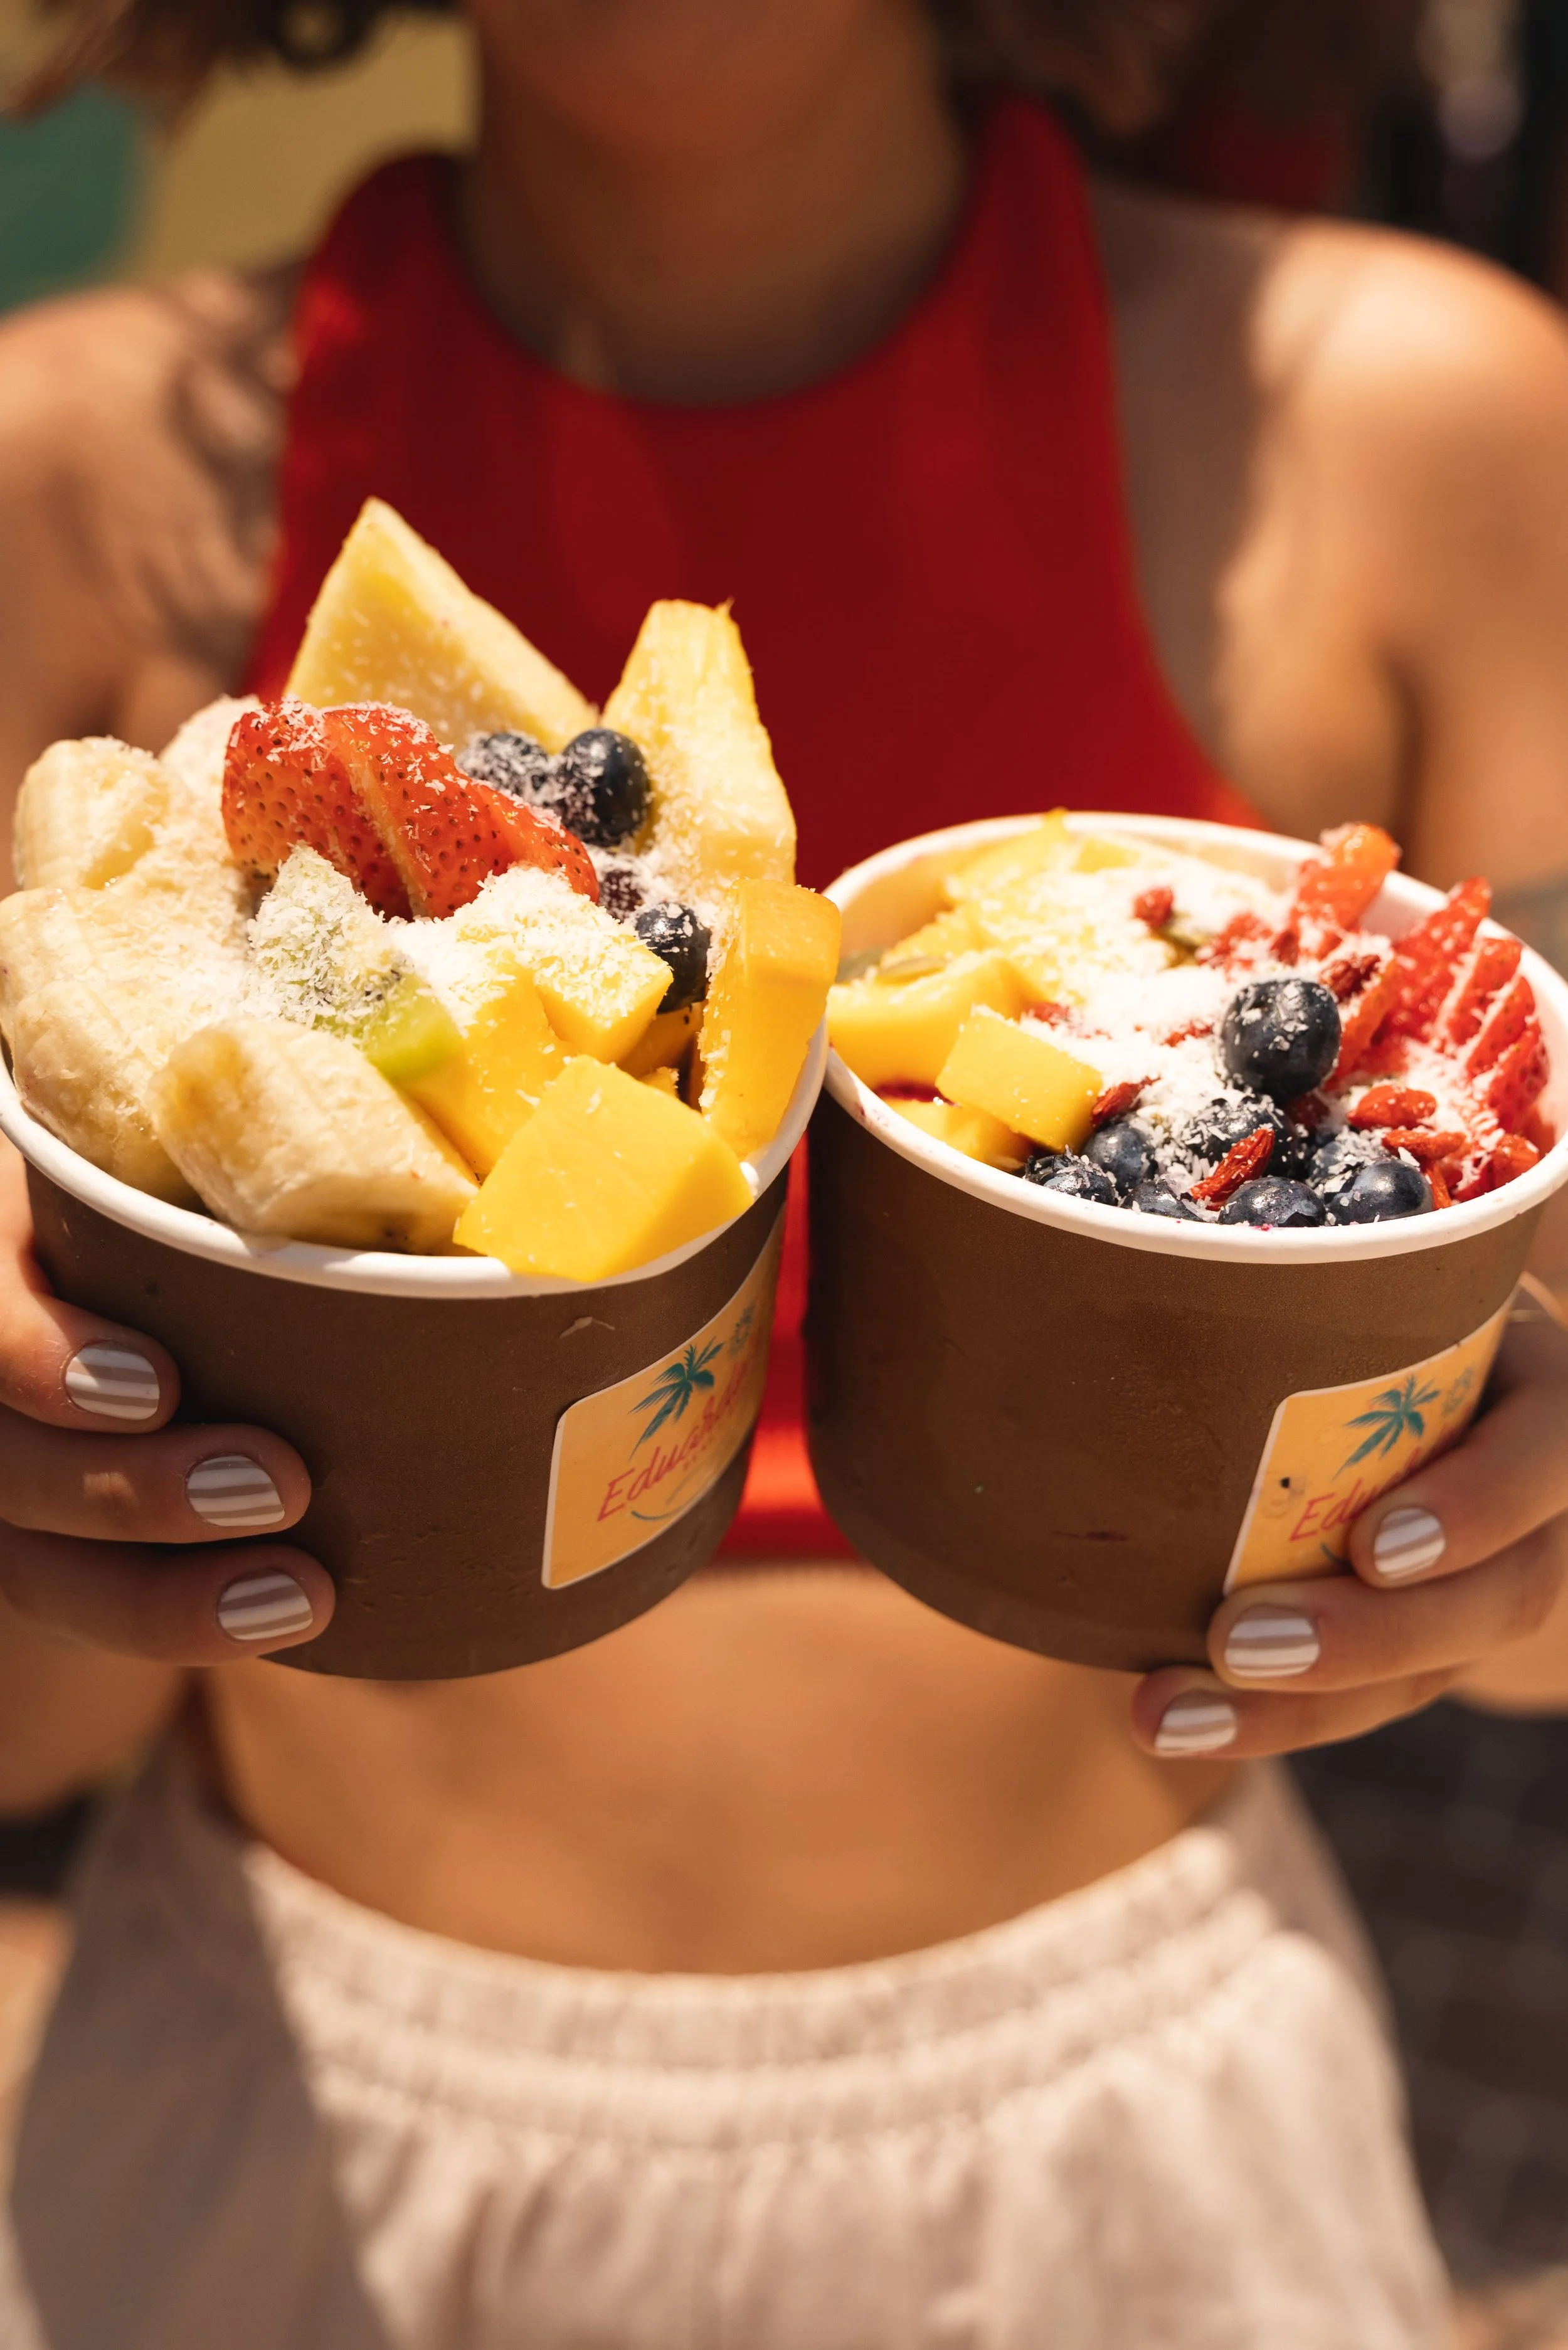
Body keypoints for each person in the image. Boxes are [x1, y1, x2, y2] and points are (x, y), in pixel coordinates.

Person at [0, 0, 1566, 2339]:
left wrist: (1511, 1518)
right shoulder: (58, 476)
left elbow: (1524, 1614)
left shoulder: (1440, 429)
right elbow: (47, 1713)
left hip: (1125, 2158)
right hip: (290, 2118)